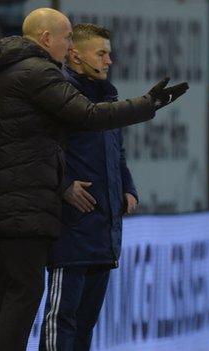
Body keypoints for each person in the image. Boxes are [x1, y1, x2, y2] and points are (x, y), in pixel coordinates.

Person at [0, 8, 188, 350]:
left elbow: (9, 146)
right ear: (46, 39)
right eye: (67, 37)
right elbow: (86, 114)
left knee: (4, 293)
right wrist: (148, 104)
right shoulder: (38, 73)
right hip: (25, 208)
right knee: (24, 295)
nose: (69, 45)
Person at [37, 23, 137, 350]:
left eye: (110, 53)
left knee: (85, 323)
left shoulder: (108, 95)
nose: (109, 60)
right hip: (72, 229)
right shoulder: (60, 94)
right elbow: (37, 148)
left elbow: (115, 151)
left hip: (103, 230)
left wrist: (127, 185)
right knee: (62, 318)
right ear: (75, 55)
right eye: (102, 53)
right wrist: (64, 185)